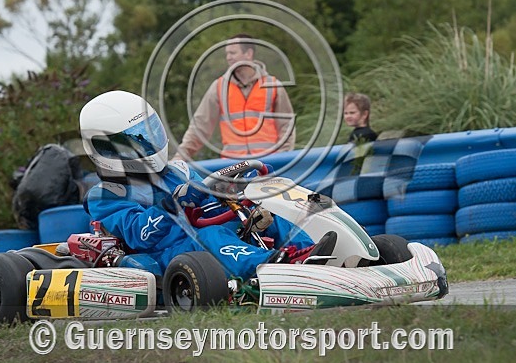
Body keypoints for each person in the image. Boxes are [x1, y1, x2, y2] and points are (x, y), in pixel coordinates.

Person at [79, 90, 335, 281]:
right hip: (168, 254)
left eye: (145, 135)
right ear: (105, 149)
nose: (145, 145)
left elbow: (210, 203)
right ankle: (273, 268)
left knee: (265, 212)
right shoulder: (105, 195)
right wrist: (175, 202)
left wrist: (240, 199)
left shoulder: (177, 172)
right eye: (133, 142)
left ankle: (308, 254)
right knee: (210, 236)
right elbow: (139, 234)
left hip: (205, 237)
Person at [175, 33, 296, 160]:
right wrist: (181, 157)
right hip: (233, 168)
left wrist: (282, 158)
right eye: (227, 53)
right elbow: (200, 126)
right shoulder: (219, 87)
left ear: (248, 54)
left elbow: (287, 126)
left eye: (233, 53)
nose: (228, 57)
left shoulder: (273, 86)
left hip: (268, 166)